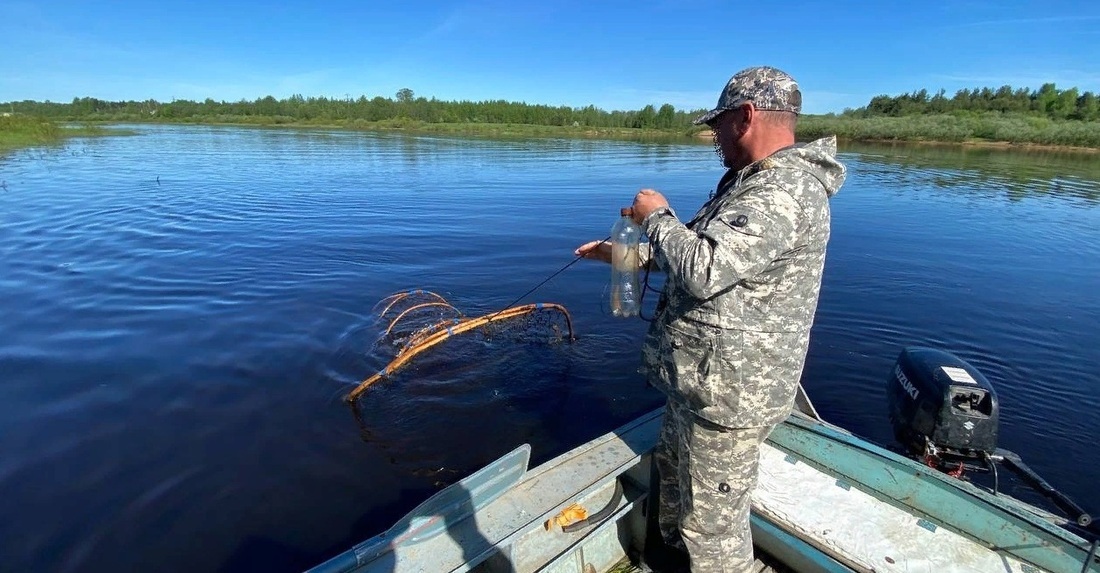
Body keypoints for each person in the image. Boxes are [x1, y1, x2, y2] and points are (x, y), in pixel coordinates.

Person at [575, 66, 846, 572]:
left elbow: (704, 269)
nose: (713, 136)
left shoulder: (783, 192)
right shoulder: (749, 184)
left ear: (746, 116)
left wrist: (657, 215)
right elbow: (701, 254)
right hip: (702, 382)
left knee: (712, 527)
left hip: (731, 394)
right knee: (676, 490)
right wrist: (619, 255)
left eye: (718, 124)